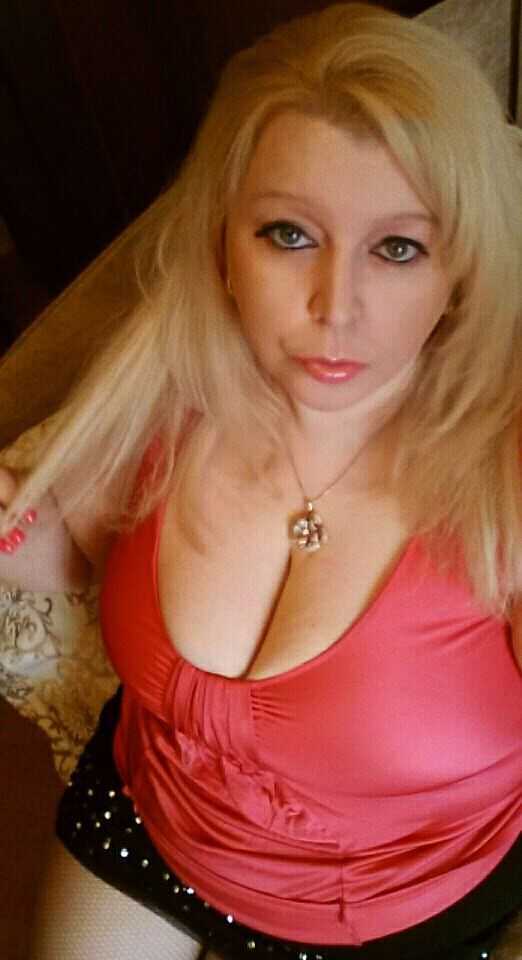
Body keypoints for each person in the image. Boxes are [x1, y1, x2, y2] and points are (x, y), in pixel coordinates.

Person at [1, 2, 522, 958]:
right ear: (222, 242)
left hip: (396, 910)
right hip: (155, 820)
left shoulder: (504, 465)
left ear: (464, 268)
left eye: (398, 248)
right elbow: (72, 560)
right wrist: (18, 538)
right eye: (288, 235)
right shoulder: (168, 388)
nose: (337, 308)